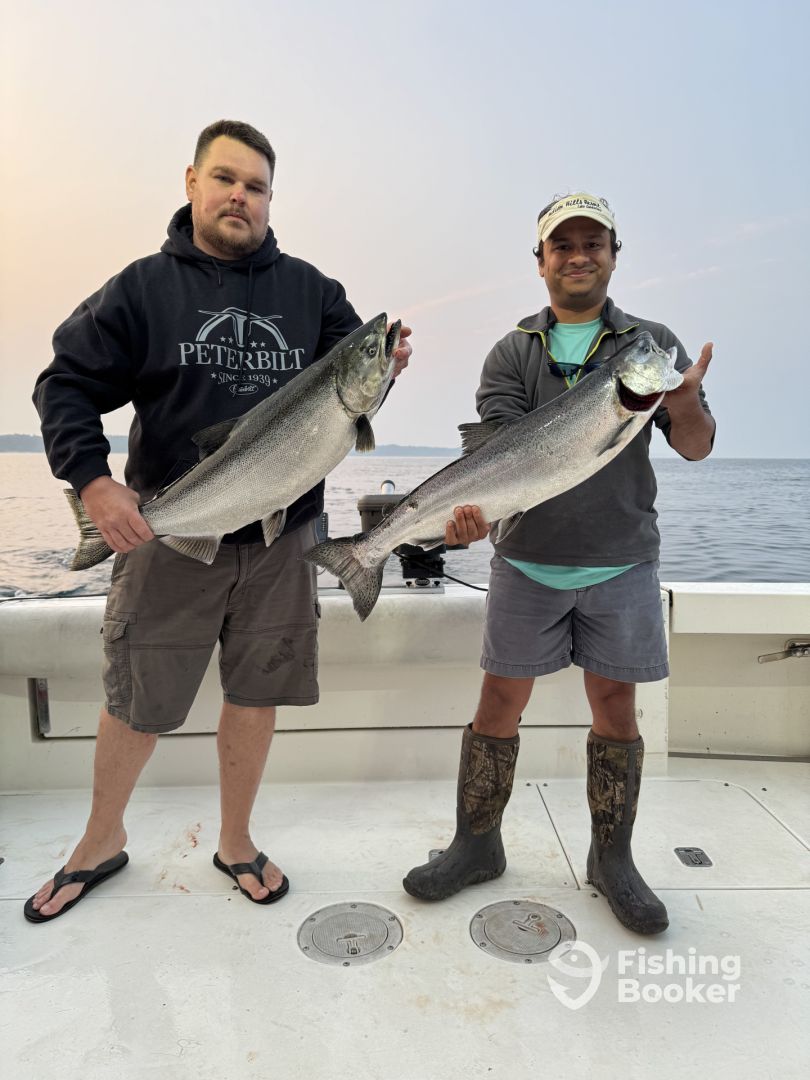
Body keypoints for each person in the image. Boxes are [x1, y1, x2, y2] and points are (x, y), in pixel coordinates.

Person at [26, 119, 412, 922]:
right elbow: (63, 384)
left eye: (257, 186)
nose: (241, 196)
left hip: (284, 539)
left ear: (272, 199)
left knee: (256, 691)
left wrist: (388, 368)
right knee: (137, 697)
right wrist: (94, 484)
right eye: (226, 179)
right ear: (192, 183)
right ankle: (99, 840)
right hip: (170, 531)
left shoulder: (313, 293)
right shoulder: (142, 289)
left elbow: (353, 390)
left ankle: (236, 840)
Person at [405, 191, 714, 934]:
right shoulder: (512, 352)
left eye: (593, 244)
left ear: (613, 255)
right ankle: (476, 845)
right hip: (527, 561)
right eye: (563, 246)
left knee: (615, 707)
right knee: (498, 704)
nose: (579, 257)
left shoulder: (650, 343)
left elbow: (696, 446)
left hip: (621, 561)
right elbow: (499, 459)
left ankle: (613, 859)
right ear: (540, 261)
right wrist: (471, 516)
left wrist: (684, 400)